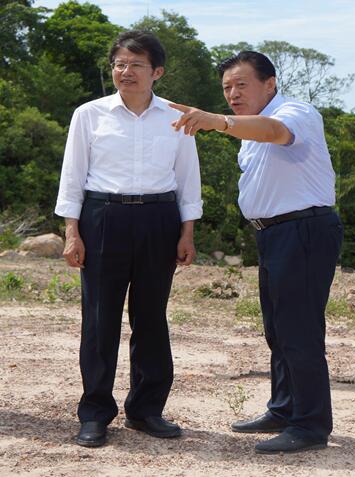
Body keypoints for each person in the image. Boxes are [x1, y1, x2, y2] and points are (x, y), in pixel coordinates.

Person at [170, 51, 343, 454]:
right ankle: (284, 408)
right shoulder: (249, 130)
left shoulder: (296, 112)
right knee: (277, 329)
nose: (232, 94)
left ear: (270, 83)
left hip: (303, 229)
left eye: (241, 85)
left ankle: (310, 425)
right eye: (226, 88)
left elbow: (275, 132)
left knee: (299, 330)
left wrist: (219, 122)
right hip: (273, 234)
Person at [55, 30, 202, 447]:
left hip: (159, 218)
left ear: (157, 72)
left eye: (136, 64)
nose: (126, 71)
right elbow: (73, 174)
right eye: (119, 64)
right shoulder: (89, 114)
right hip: (103, 217)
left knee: (151, 317)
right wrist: (72, 232)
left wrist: (187, 231)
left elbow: (187, 177)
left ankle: (146, 410)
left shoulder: (177, 116)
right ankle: (95, 413)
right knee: (99, 319)